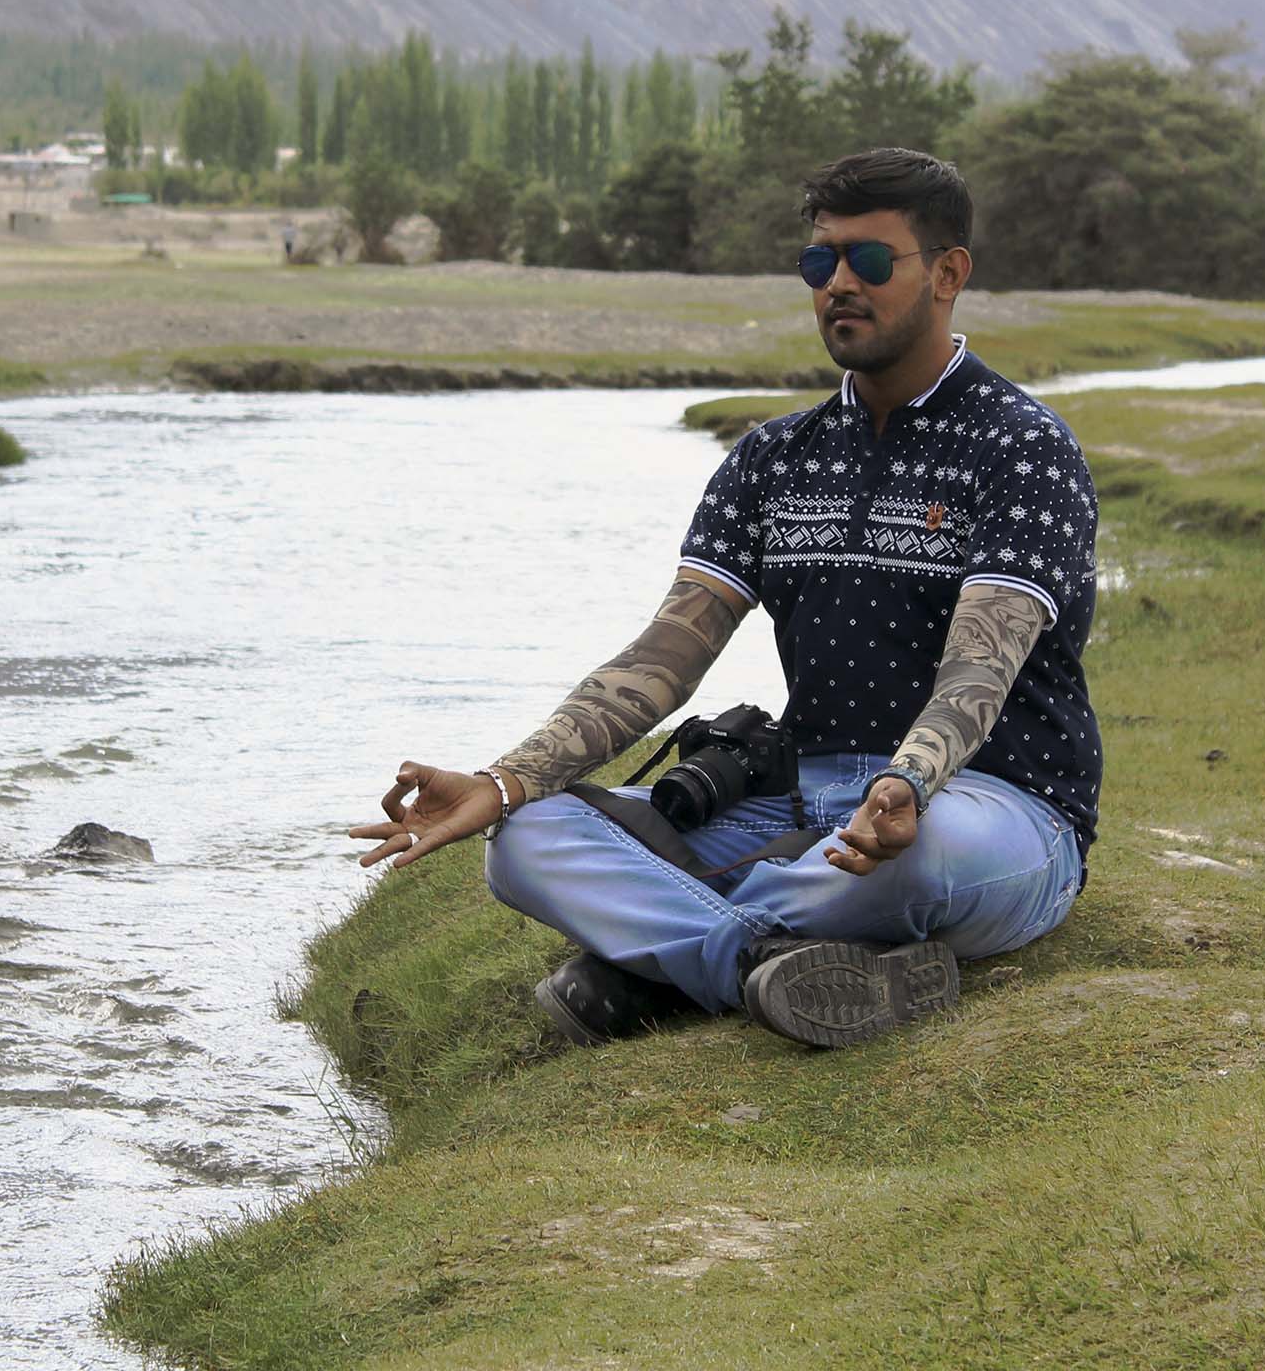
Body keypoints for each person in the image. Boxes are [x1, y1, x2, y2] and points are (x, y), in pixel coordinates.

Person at [351, 148, 1099, 1049]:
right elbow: (665, 657)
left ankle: (653, 962)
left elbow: (980, 666)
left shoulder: (1022, 448)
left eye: (869, 261)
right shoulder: (772, 458)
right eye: (821, 262)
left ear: (948, 274)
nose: (838, 286)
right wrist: (507, 778)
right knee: (525, 840)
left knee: (919, 863)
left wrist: (906, 782)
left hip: (987, 806)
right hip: (798, 805)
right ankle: (759, 966)